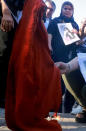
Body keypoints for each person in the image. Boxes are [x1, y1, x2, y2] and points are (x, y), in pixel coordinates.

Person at [5, 0, 62, 130]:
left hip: (26, 27)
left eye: (51, 9)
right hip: (15, 19)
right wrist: (5, 10)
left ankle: (33, 111)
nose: (48, 11)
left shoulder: (40, 15)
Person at [47, 1, 79, 114]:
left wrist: (77, 34)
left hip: (70, 57)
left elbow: (78, 42)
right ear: (61, 10)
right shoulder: (55, 21)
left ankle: (68, 111)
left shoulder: (75, 24)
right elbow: (49, 34)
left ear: (73, 11)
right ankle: (55, 110)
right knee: (57, 84)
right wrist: (49, 46)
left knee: (70, 86)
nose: (67, 10)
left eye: (70, 9)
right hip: (56, 54)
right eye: (65, 8)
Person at [0, 0, 23, 108]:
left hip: (16, 20)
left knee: (9, 57)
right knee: (3, 54)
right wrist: (5, 11)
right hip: (5, 16)